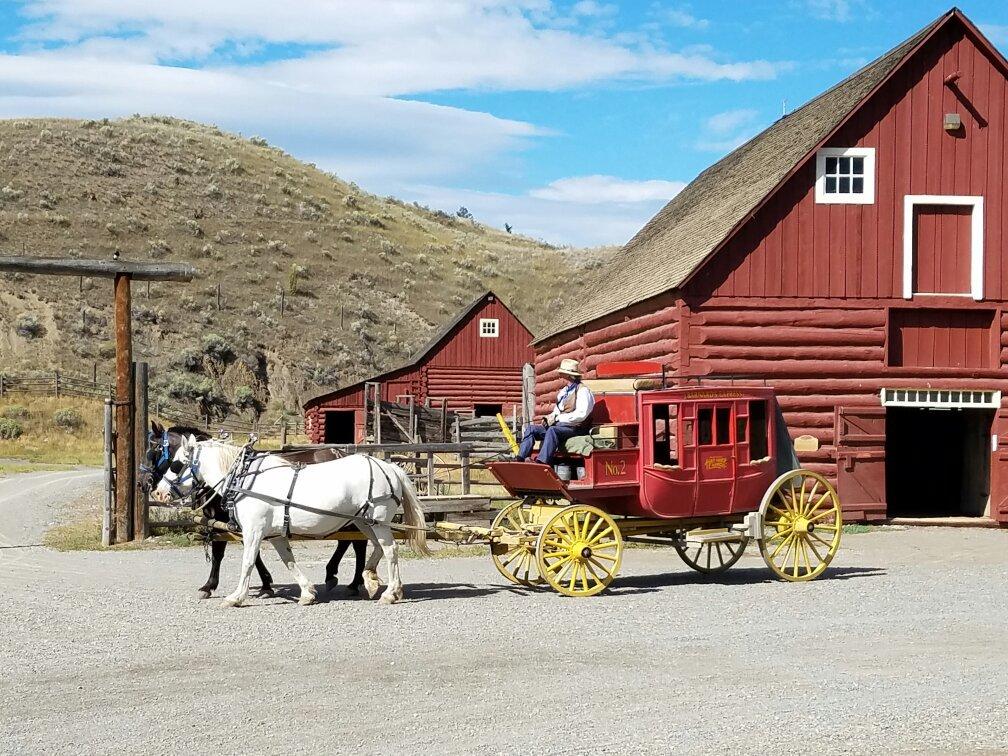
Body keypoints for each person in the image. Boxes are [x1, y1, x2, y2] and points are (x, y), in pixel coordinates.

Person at [515, 359, 595, 466]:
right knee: (531, 429)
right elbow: (557, 411)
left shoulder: (583, 391)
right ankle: (520, 459)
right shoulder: (564, 391)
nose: (560, 376)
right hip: (560, 427)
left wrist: (558, 419)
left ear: (569, 376)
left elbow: (581, 415)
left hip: (575, 428)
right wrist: (550, 418)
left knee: (552, 431)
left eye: (562, 374)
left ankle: (541, 462)